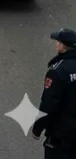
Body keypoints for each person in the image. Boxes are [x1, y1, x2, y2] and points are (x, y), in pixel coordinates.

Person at [33, 29, 76, 157]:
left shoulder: (58, 70)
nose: (56, 44)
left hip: (61, 132)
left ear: (63, 46)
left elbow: (49, 103)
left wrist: (38, 128)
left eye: (58, 41)